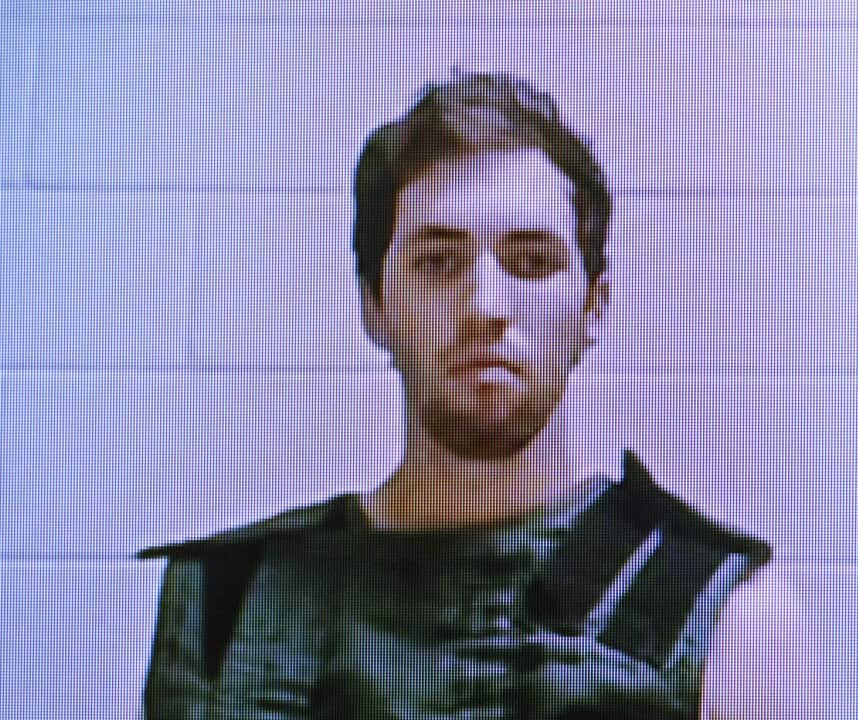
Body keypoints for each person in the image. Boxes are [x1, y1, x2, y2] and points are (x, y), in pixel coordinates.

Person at [138, 71, 820, 719]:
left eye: (531, 262)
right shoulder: (228, 604)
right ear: (376, 306)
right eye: (438, 262)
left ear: (593, 309)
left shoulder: (729, 619)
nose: (485, 306)